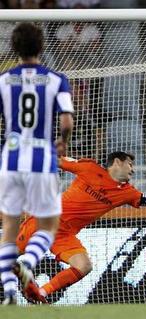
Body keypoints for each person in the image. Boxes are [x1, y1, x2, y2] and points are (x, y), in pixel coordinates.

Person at [15, 151, 146, 304]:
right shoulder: (88, 167)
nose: (133, 169)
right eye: (130, 164)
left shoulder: (127, 192)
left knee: (84, 266)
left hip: (65, 234)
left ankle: (41, 293)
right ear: (117, 162)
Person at [0, 23, 74, 306]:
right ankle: (30, 260)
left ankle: (8, 292)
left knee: (8, 227)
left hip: (11, 159)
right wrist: (62, 140)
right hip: (42, 159)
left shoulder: (3, 80)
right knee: (48, 226)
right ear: (42, 47)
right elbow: (66, 119)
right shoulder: (56, 80)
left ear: (13, 48)